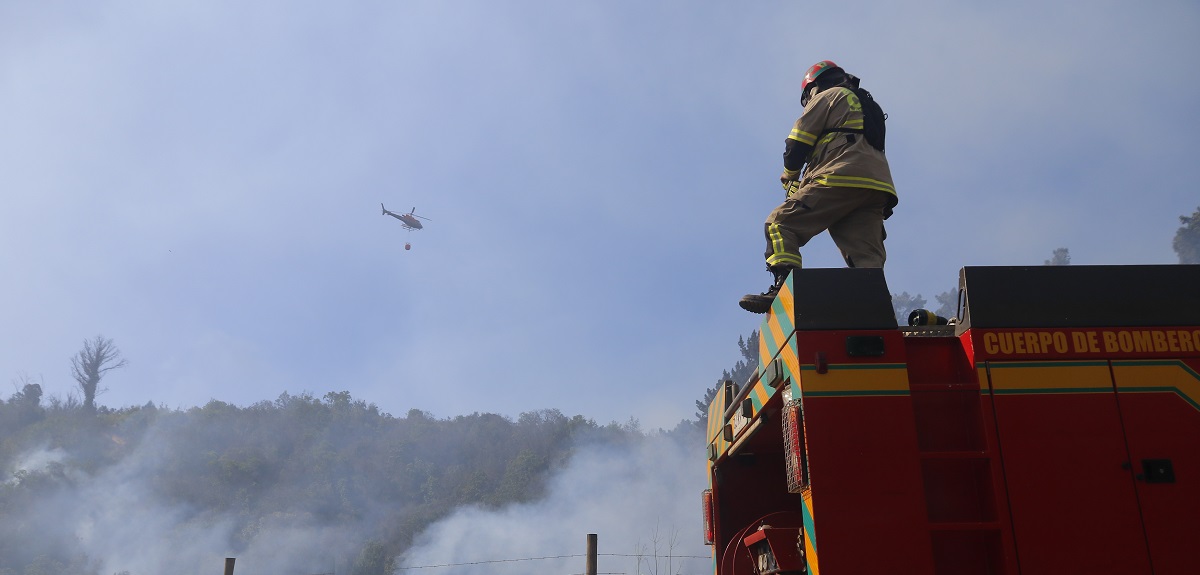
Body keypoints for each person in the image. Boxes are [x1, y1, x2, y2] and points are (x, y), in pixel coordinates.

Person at [739, 60, 897, 313]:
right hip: (875, 187)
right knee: (866, 259)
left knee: (780, 224)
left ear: (814, 87)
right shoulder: (868, 106)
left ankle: (783, 291)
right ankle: (876, 309)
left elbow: (797, 142)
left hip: (839, 177)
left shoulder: (828, 96)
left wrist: (790, 176)